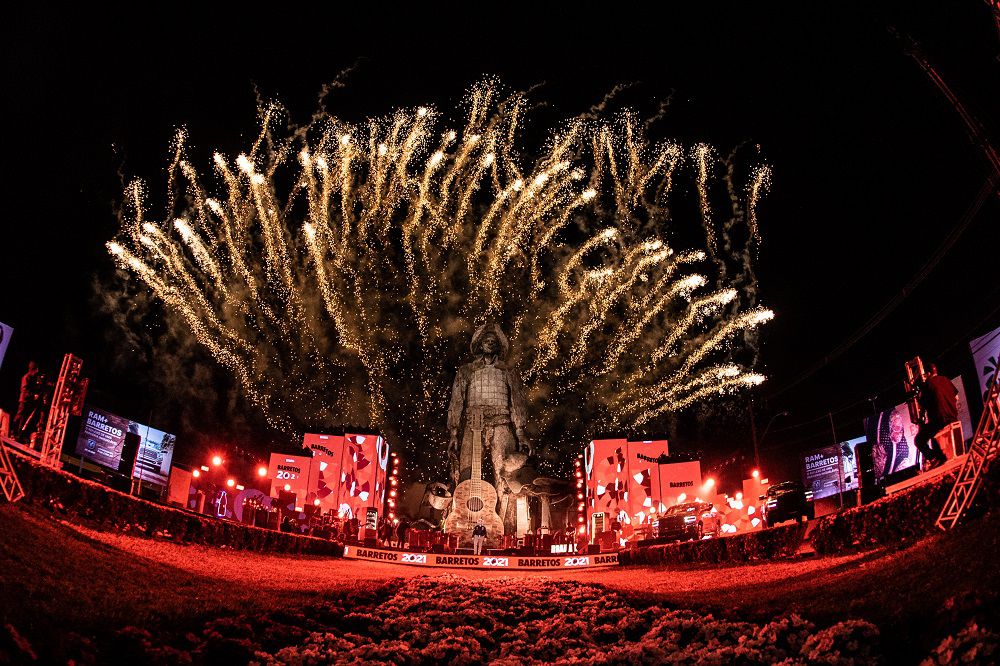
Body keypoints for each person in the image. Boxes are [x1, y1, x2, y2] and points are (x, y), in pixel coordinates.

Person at [447, 324, 533, 535]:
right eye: (486, 339)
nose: (490, 342)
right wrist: (454, 433)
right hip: (472, 425)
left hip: (502, 423)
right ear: (479, 344)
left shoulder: (508, 371)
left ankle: (503, 529)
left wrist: (521, 432)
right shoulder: (466, 371)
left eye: (494, 340)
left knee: (505, 476)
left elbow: (517, 402)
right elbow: (457, 401)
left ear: (499, 345)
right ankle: (463, 526)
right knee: (466, 477)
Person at [914, 363, 957, 470]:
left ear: (928, 373)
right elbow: (957, 397)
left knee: (919, 440)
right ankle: (940, 457)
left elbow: (923, 405)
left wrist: (919, 396)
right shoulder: (946, 379)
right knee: (933, 433)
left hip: (940, 419)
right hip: (953, 416)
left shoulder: (928, 384)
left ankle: (936, 458)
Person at [12, 361, 44, 441]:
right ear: (33, 369)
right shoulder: (26, 377)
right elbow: (24, 390)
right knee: (19, 417)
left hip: (28, 401)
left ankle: (18, 435)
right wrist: (33, 395)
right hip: (24, 401)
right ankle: (13, 432)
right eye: (36, 370)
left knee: (23, 419)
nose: (37, 372)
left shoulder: (33, 378)